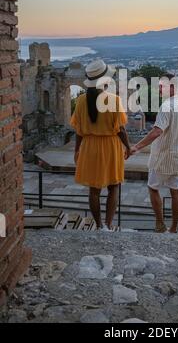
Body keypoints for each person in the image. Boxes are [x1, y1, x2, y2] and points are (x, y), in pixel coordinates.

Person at [71, 59, 131, 231]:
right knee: (113, 187)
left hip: (89, 147)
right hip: (111, 147)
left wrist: (77, 150)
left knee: (94, 190)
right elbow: (120, 129)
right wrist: (127, 146)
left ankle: (98, 225)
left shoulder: (81, 101)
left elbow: (78, 130)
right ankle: (109, 225)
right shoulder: (113, 99)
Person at [131, 75, 178, 233]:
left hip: (162, 157)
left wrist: (136, 147)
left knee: (152, 188)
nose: (158, 89)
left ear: (172, 87)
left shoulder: (167, 106)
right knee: (176, 192)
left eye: (161, 86)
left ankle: (160, 224)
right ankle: (174, 228)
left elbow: (157, 131)